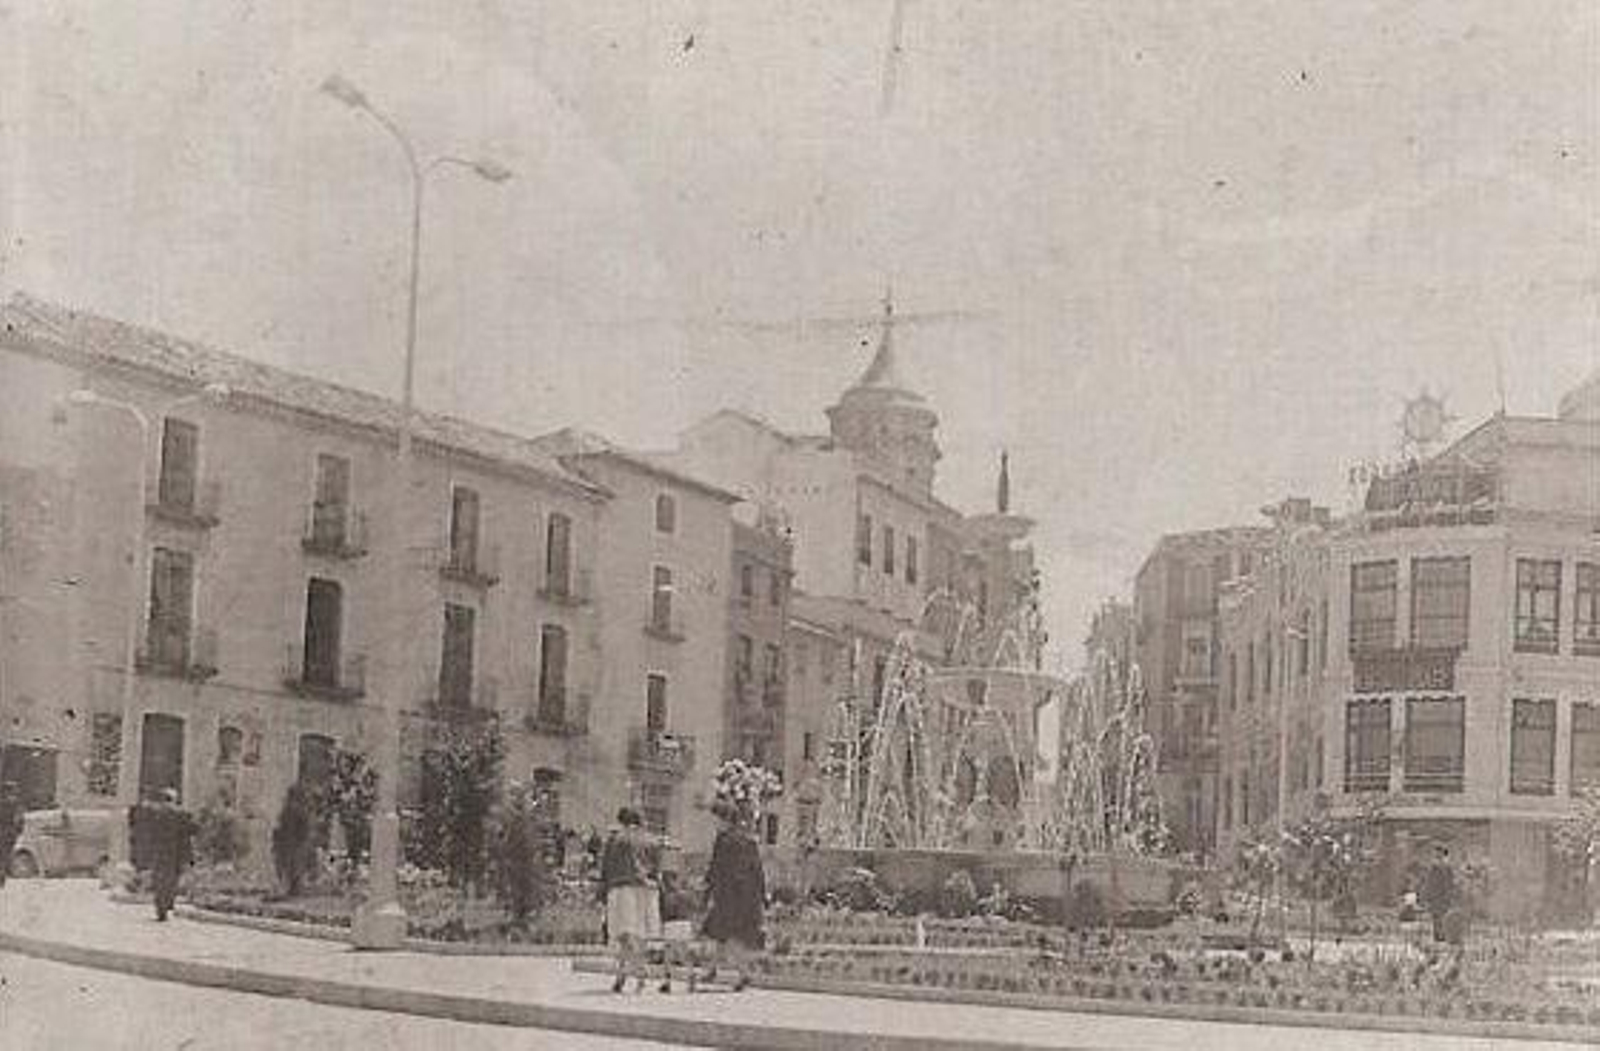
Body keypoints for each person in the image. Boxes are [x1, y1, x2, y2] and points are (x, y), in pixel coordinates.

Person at [701, 799, 766, 992]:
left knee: (727, 936)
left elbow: (716, 869)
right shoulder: (749, 839)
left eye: (715, 819)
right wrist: (762, 896)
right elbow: (758, 870)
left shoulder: (723, 839)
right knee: (719, 935)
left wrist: (706, 893)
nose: (714, 823)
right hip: (747, 897)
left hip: (728, 897)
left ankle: (744, 973)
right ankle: (712, 970)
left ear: (723, 819)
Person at [601, 807, 661, 993]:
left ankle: (639, 970)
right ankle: (621, 975)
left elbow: (606, 867)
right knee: (640, 934)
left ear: (621, 821)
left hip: (622, 887)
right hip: (648, 890)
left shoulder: (616, 839)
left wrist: (602, 891)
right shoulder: (651, 840)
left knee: (623, 933)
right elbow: (657, 868)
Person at [147, 789, 196, 922]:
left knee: (159, 880)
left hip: (159, 852)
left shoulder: (155, 814)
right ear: (174, 799)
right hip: (176, 853)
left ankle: (160, 908)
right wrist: (189, 856)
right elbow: (188, 834)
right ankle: (168, 903)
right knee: (172, 879)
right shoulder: (182, 814)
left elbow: (150, 835)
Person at [1419, 844, 1459, 944]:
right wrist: (1425, 896)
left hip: (1444, 896)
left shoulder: (1447, 868)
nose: (1437, 856)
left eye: (1439, 854)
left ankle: (1443, 935)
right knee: (1437, 916)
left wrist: (1452, 893)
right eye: (1436, 854)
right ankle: (1438, 936)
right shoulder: (1434, 868)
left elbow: (1451, 882)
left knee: (1443, 915)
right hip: (1435, 896)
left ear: (1444, 854)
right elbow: (1428, 882)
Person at [0, 783, 24, 889]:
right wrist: (18, 831)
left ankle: (2, 874)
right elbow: (19, 821)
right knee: (5, 855)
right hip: (9, 834)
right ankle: (2, 875)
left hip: (4, 833)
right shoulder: (16, 805)